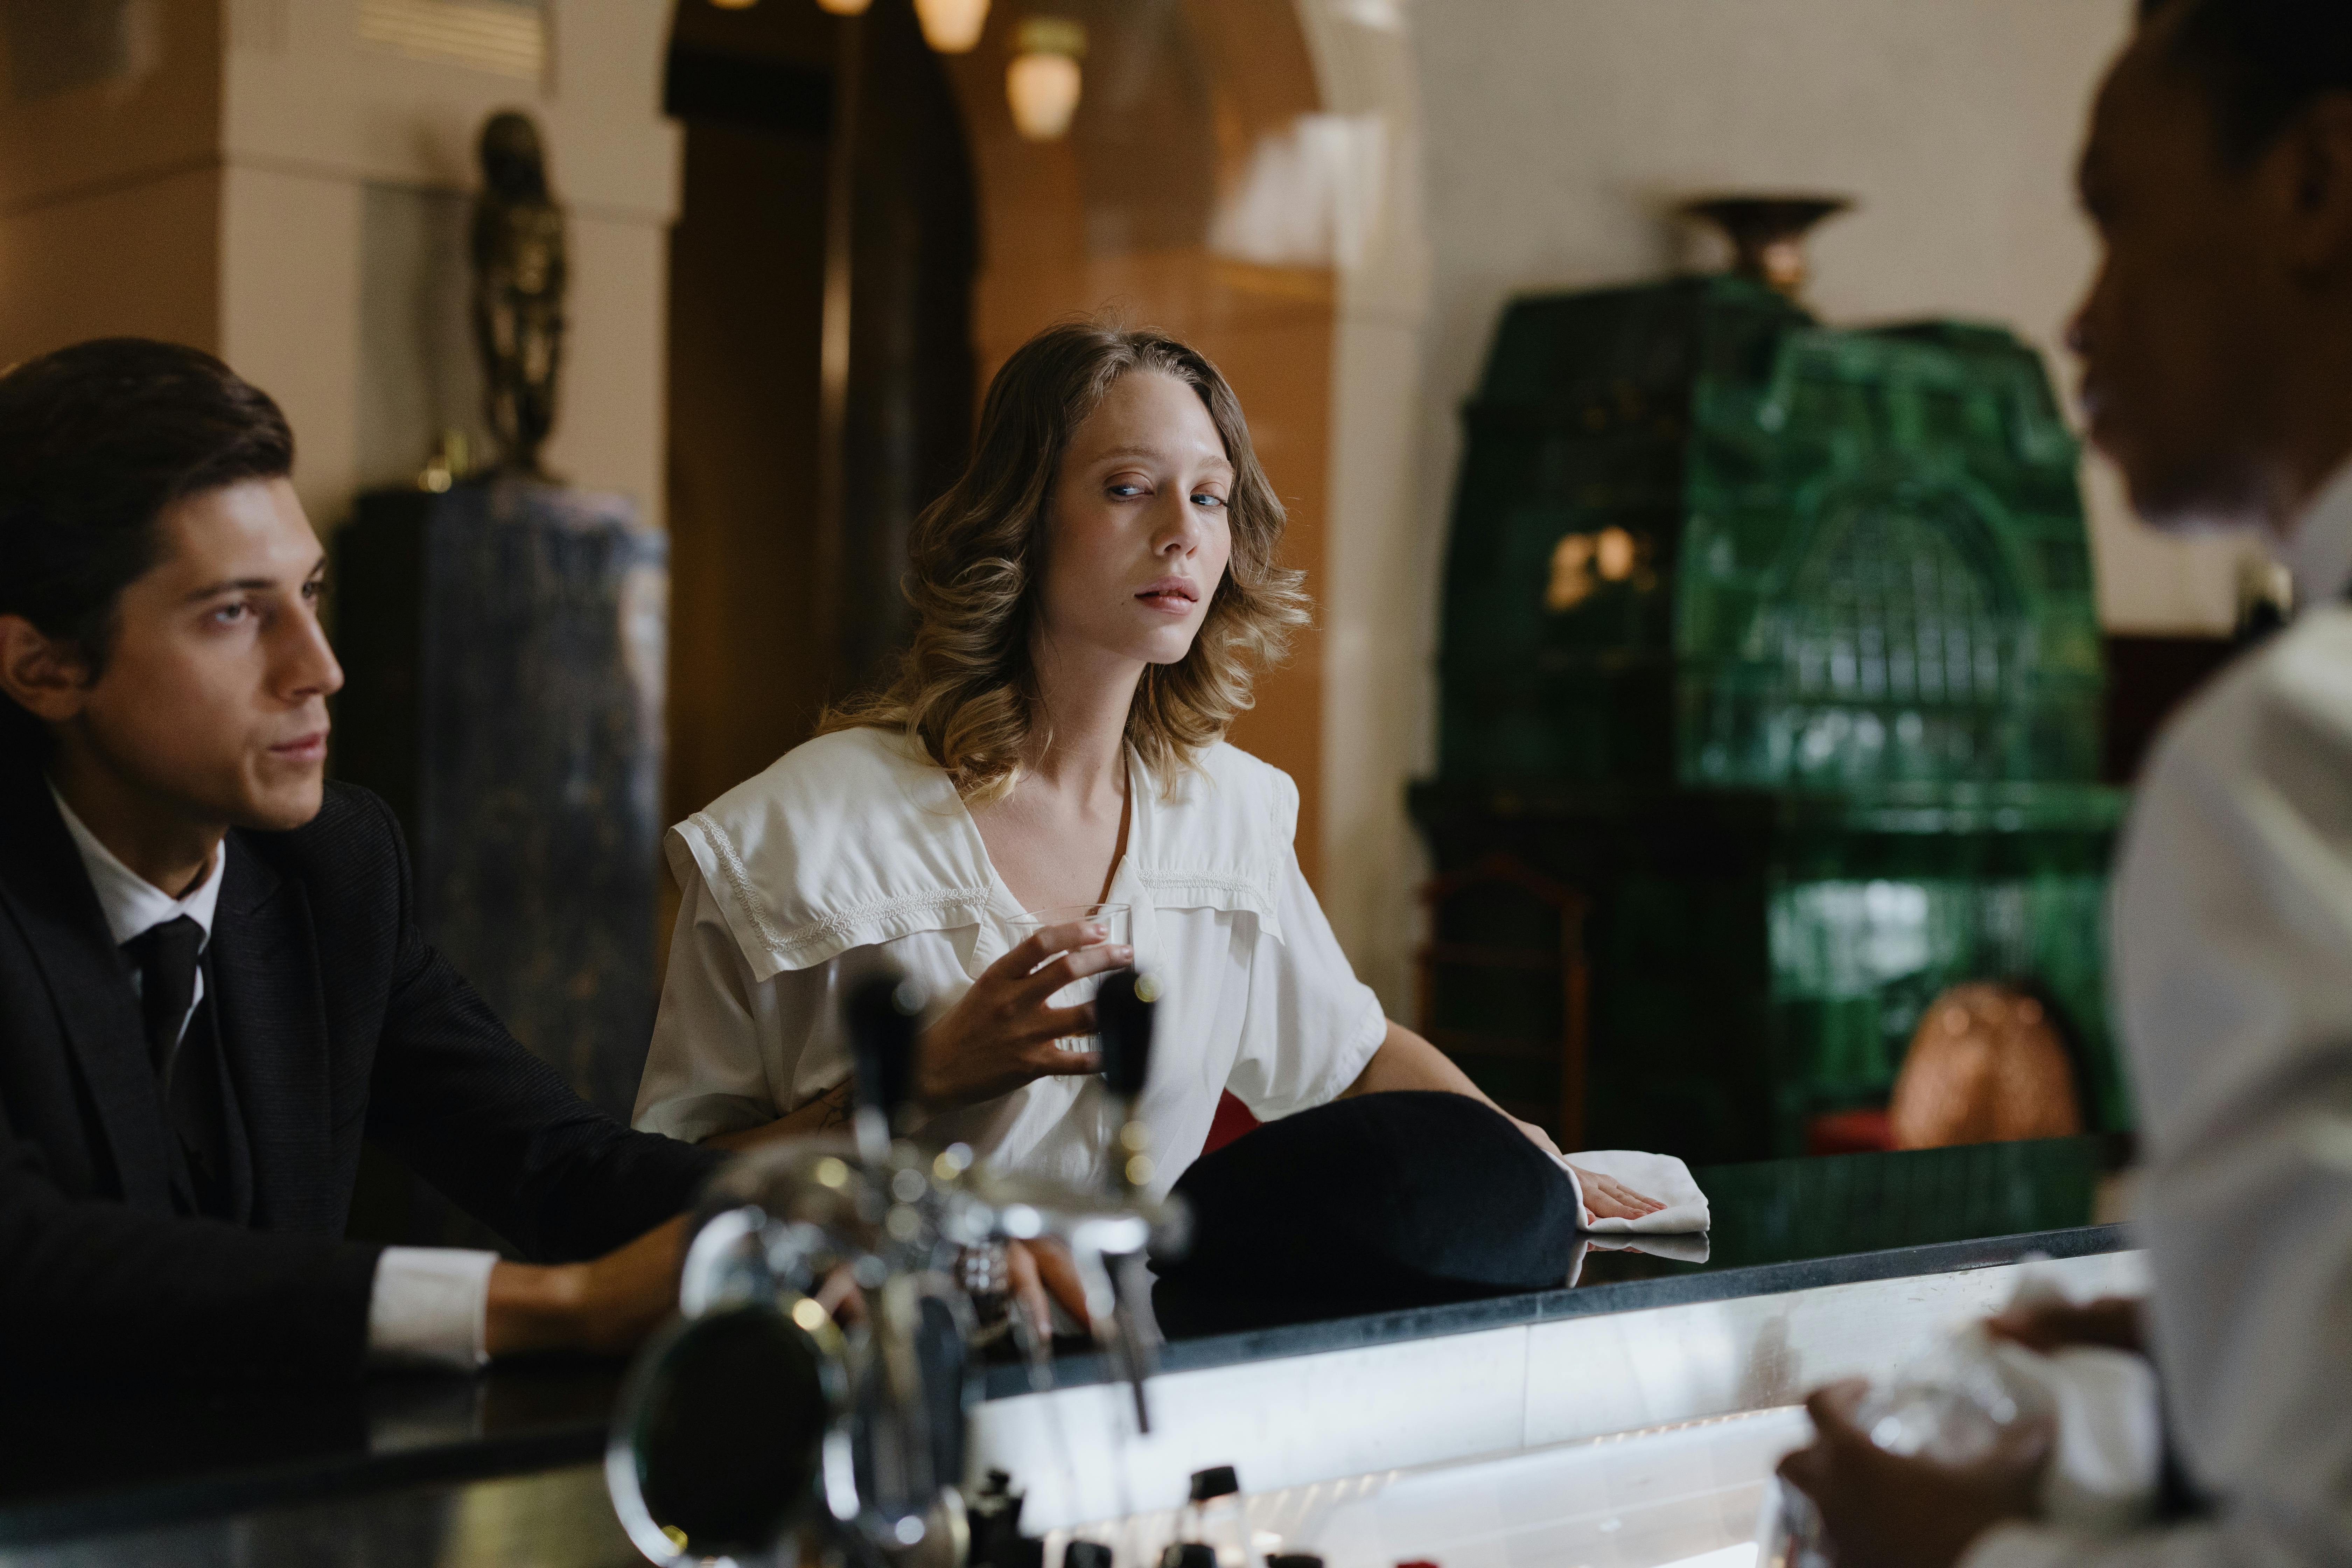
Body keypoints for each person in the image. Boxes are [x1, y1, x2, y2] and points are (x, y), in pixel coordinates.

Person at [634, 322, 1659, 1222]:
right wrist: (917, 1083)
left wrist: (1515, 1146)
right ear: (1023, 517)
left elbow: (1347, 1056)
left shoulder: (1227, 815)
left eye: (1210, 498)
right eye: (1129, 488)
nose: (1182, 530)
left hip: (1126, 1378)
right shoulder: (788, 838)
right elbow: (647, 1193)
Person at [1777, 1, 2352, 1563]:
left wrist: (1952, 1548)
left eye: (2118, 221)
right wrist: (2217, 1336)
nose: (2081, 324)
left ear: (2317, 183)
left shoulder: (2290, 755)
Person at [0, 339, 722, 1383]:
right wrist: (555, 1305)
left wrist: (847, 1214)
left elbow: (559, 1164)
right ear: (44, 665)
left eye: (313, 594)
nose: (320, 668)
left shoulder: (331, 866)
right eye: (235, 614)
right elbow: (32, 1264)